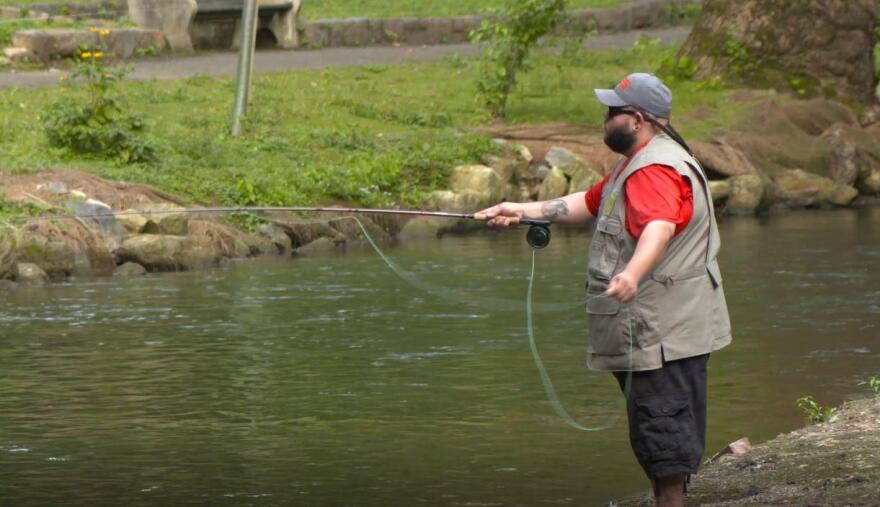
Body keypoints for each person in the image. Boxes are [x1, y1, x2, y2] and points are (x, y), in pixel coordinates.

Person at [475, 73, 732, 507]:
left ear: (638, 119)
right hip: (665, 331)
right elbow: (585, 203)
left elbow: (659, 227)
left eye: (613, 112)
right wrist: (518, 210)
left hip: (661, 335)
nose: (605, 118)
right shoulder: (638, 163)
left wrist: (632, 273)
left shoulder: (653, 171)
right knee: (661, 437)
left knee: (664, 441)